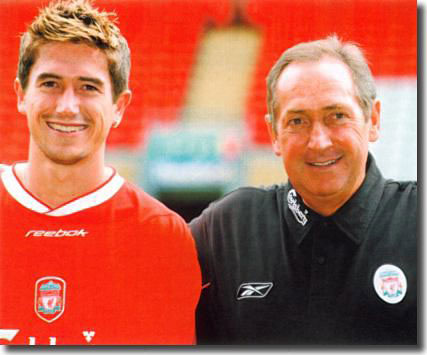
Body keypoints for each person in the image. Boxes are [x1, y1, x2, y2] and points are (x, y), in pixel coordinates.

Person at [190, 35, 416, 345]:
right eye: (297, 121)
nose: (319, 142)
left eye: (337, 116)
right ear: (273, 133)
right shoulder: (225, 230)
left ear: (373, 119)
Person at [0, 0, 201, 345]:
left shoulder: (160, 235)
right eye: (50, 83)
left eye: (88, 87)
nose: (66, 106)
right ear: (21, 94)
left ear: (119, 106)